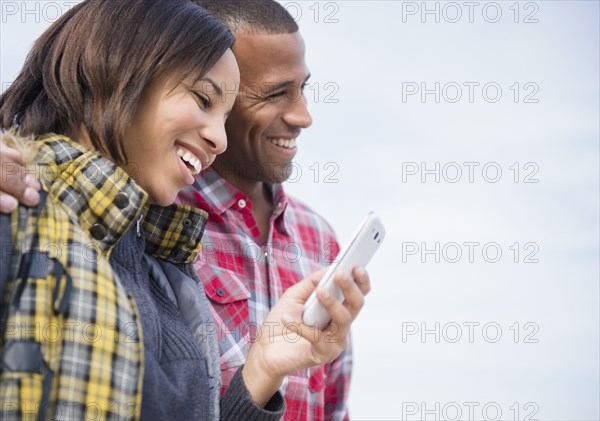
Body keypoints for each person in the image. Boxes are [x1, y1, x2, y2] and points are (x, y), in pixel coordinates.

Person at [0, 1, 370, 420]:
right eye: (203, 98)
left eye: (224, 113)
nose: (219, 138)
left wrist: (263, 368)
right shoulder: (17, 210)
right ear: (120, 72)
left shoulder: (165, 271)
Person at [176, 2, 354, 419]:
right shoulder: (154, 219)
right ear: (210, 96)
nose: (303, 116)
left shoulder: (319, 237)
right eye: (276, 93)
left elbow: (333, 407)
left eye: (301, 88)